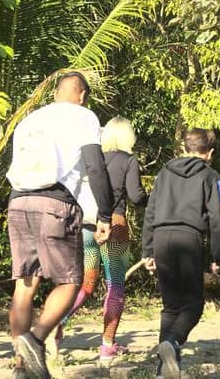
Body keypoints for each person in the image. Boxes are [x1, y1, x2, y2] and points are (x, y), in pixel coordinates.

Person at [6, 72, 115, 379]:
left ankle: (21, 367)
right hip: (54, 203)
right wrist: (104, 214)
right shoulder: (83, 116)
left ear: (55, 93)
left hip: (18, 202)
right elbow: (95, 165)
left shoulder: (30, 120)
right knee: (69, 282)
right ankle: (35, 339)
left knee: (25, 284)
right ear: (82, 95)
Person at [56, 116, 147, 360]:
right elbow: (137, 197)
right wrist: (153, 198)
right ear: (129, 136)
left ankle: (57, 322)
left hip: (88, 226)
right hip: (114, 225)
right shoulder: (129, 161)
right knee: (115, 285)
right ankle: (108, 344)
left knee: (86, 283)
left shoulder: (92, 159)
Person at [142, 128, 220, 379]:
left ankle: (164, 370)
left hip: (160, 238)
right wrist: (217, 255)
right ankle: (173, 341)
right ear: (210, 152)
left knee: (170, 306)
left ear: (183, 148)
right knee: (193, 303)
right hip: (188, 239)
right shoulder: (213, 177)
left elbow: (151, 210)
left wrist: (147, 249)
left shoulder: (164, 173)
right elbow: (219, 218)